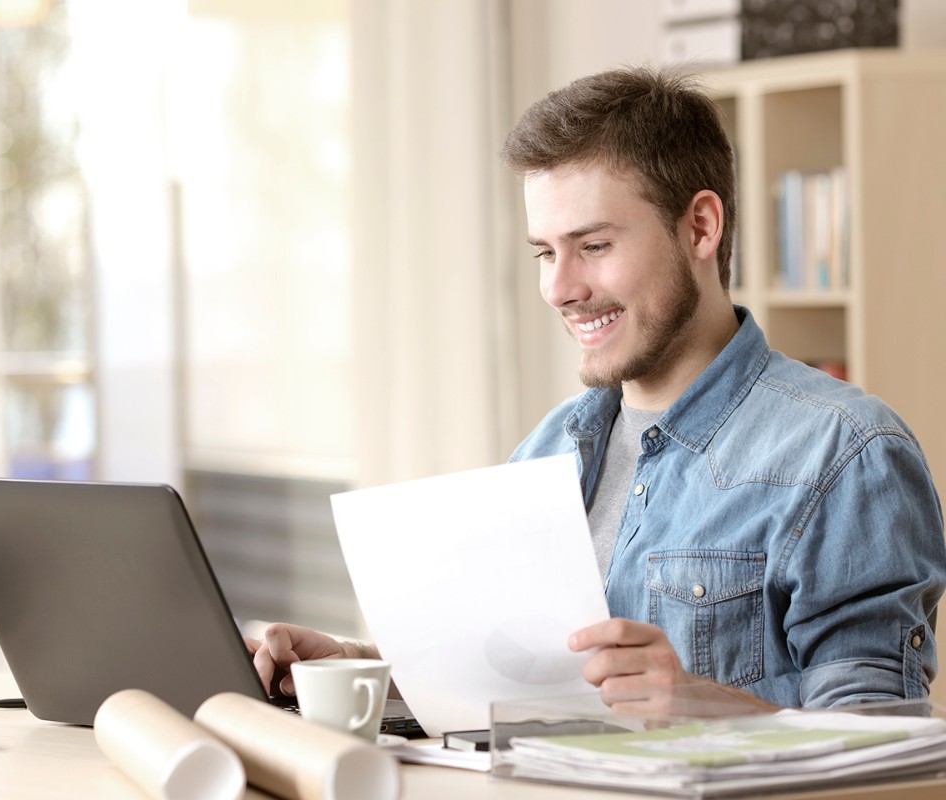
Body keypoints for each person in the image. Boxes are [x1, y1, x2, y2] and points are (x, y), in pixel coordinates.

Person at [247, 66, 946, 714]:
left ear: (701, 226)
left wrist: (703, 708)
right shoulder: (549, 449)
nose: (559, 288)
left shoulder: (845, 454)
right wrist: (356, 667)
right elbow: (510, 684)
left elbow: (884, 756)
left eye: (594, 245)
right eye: (545, 252)